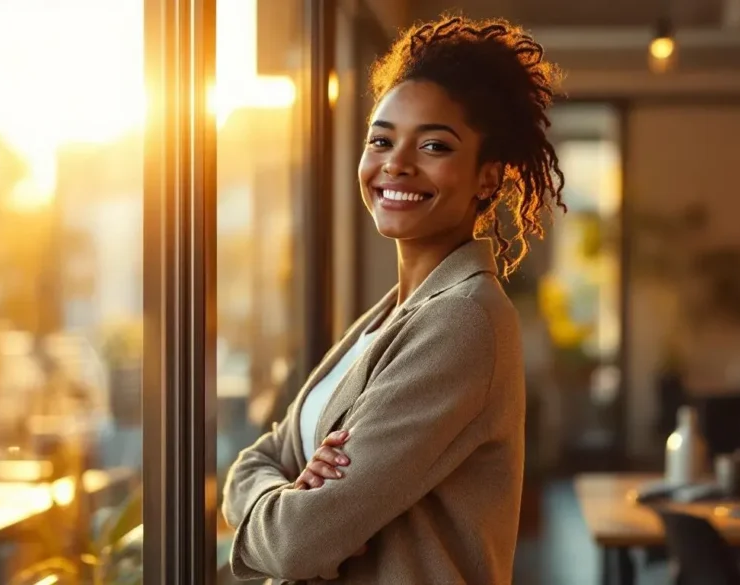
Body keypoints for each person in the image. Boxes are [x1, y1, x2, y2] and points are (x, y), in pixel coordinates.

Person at [222, 14, 564, 584]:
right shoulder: (387, 318)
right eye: (381, 139)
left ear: (486, 178)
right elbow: (249, 465)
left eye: (434, 145)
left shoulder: (464, 320)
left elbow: (295, 544)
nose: (396, 163)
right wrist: (284, 490)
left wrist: (280, 501)